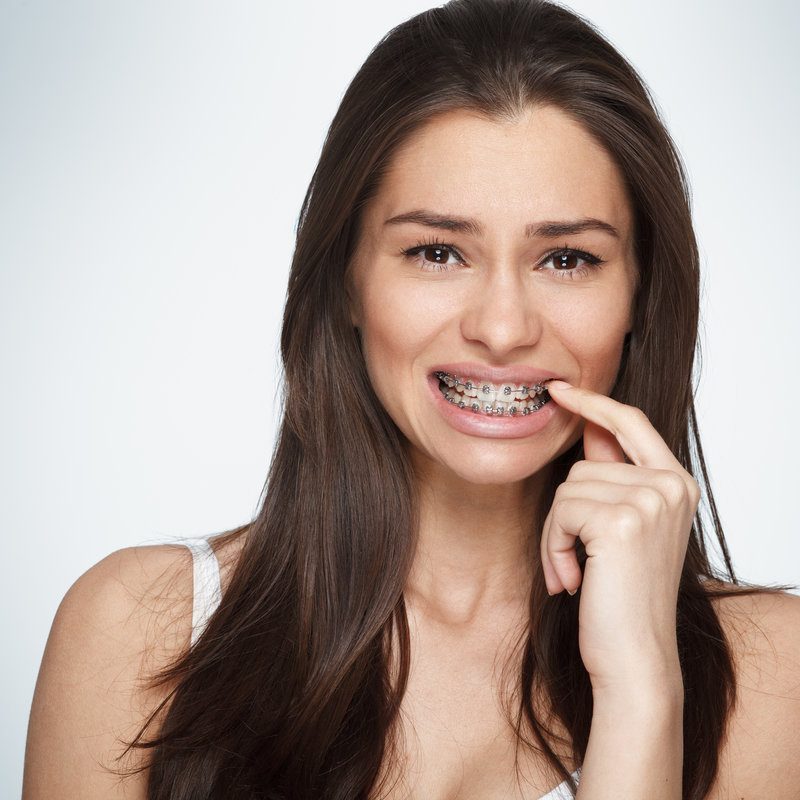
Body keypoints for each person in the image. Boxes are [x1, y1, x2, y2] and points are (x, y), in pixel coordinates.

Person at [22, 0, 800, 798]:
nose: (502, 328)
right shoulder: (136, 631)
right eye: (437, 252)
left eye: (566, 259)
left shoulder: (773, 678)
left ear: (640, 295)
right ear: (347, 281)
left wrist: (641, 685)